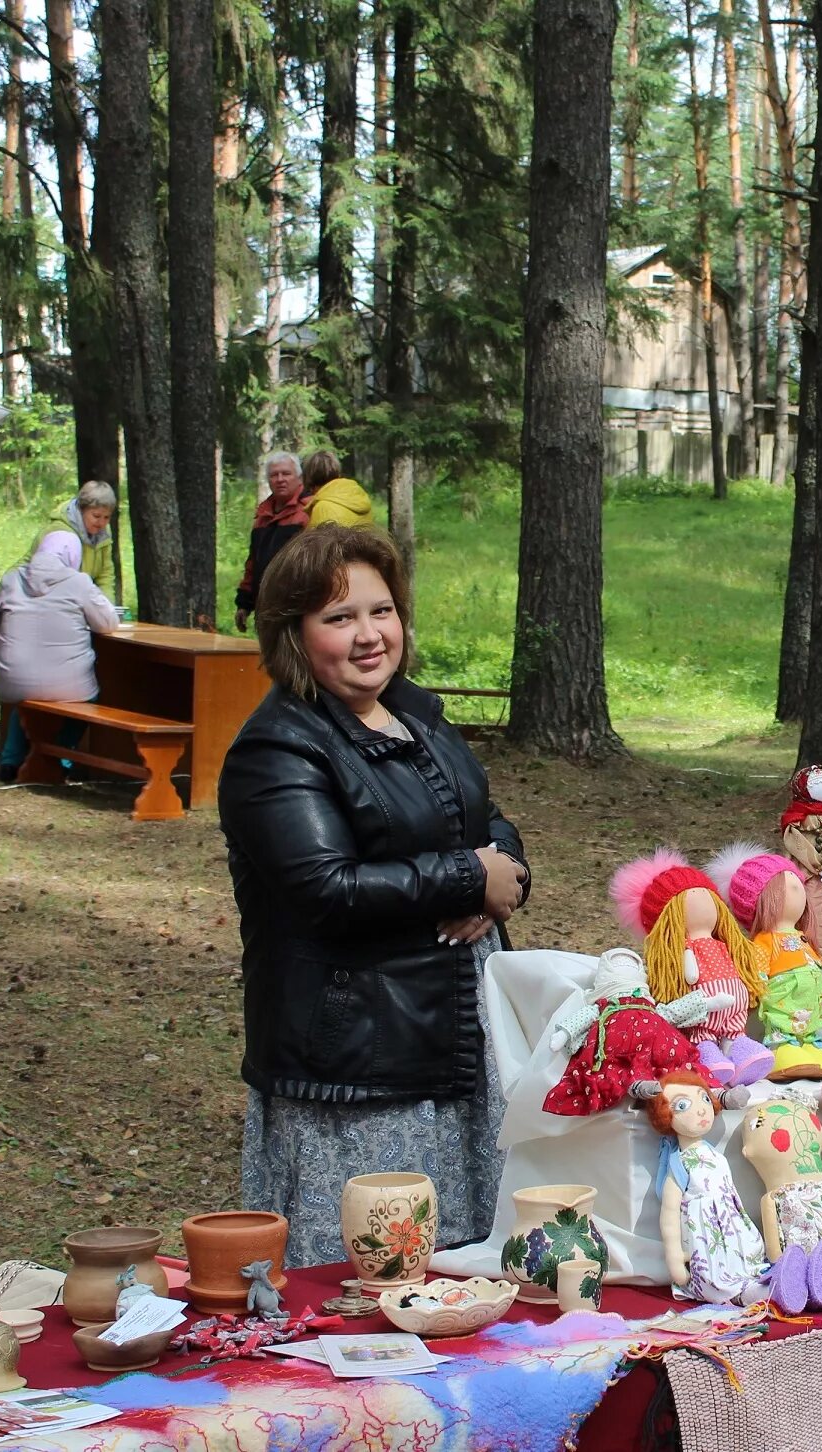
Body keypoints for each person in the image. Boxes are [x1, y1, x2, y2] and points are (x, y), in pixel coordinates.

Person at [218, 525, 530, 1264]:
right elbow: (324, 889)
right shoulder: (278, 747)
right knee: (366, 1277)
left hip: (458, 1037)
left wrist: (501, 874)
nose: (369, 636)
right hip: (361, 1068)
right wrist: (464, 878)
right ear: (292, 634)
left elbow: (486, 821)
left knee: (470, 1268)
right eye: (339, 618)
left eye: (381, 610)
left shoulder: (415, 713)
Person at [0, 531, 121, 782]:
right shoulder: (78, 582)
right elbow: (108, 623)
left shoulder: (11, 580)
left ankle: (10, 761)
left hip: (14, 677)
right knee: (87, 701)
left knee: (27, 699)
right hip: (69, 684)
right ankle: (61, 759)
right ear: (72, 555)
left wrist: (5, 659)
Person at [233, 453, 309, 630]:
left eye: (286, 473)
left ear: (299, 477)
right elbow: (253, 563)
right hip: (265, 607)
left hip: (296, 609)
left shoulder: (310, 510)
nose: (280, 479)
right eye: (274, 475)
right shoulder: (263, 514)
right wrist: (244, 604)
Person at [27, 481, 120, 600]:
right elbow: (49, 581)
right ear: (81, 510)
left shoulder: (103, 532)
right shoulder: (60, 534)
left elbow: (105, 574)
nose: (102, 522)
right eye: (96, 516)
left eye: (106, 517)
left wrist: (107, 606)